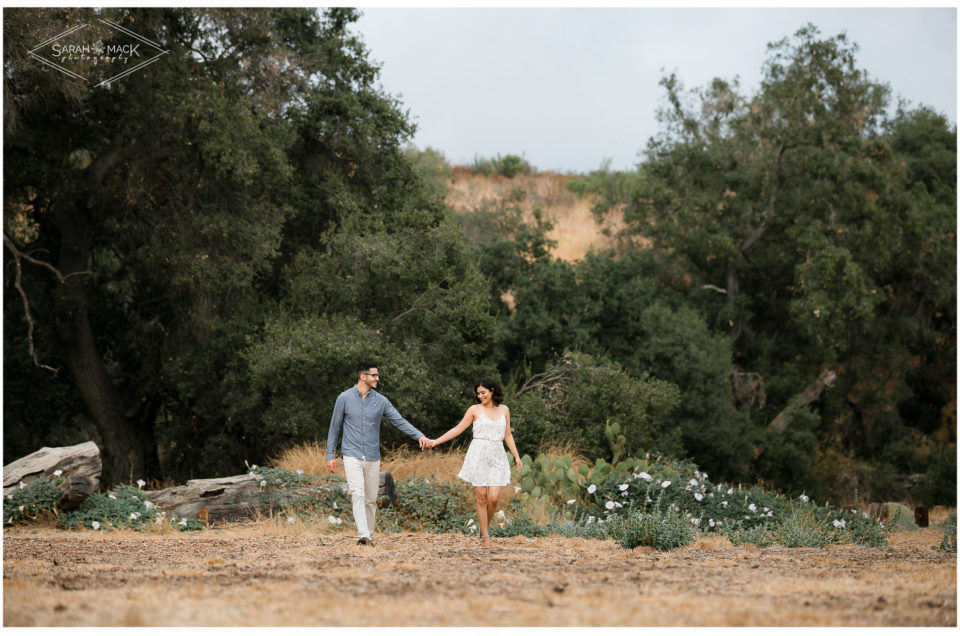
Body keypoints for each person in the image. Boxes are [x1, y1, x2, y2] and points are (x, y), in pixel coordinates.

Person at [326, 362, 430, 546]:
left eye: (377, 375)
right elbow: (334, 428)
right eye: (374, 375)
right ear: (362, 376)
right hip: (351, 453)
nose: (377, 378)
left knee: (371, 498)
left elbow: (399, 421)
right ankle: (363, 535)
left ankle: (369, 535)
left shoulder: (381, 401)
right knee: (357, 492)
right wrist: (330, 455)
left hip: (373, 455)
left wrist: (419, 435)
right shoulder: (344, 398)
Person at [426, 378, 522, 548]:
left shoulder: (504, 410)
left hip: (497, 455)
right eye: (478, 394)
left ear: (492, 391)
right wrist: (435, 442)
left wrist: (516, 455)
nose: (480, 396)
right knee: (481, 497)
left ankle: (483, 528)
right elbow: (457, 429)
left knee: (493, 498)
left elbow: (507, 435)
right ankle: (485, 537)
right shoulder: (474, 410)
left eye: (483, 393)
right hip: (478, 454)